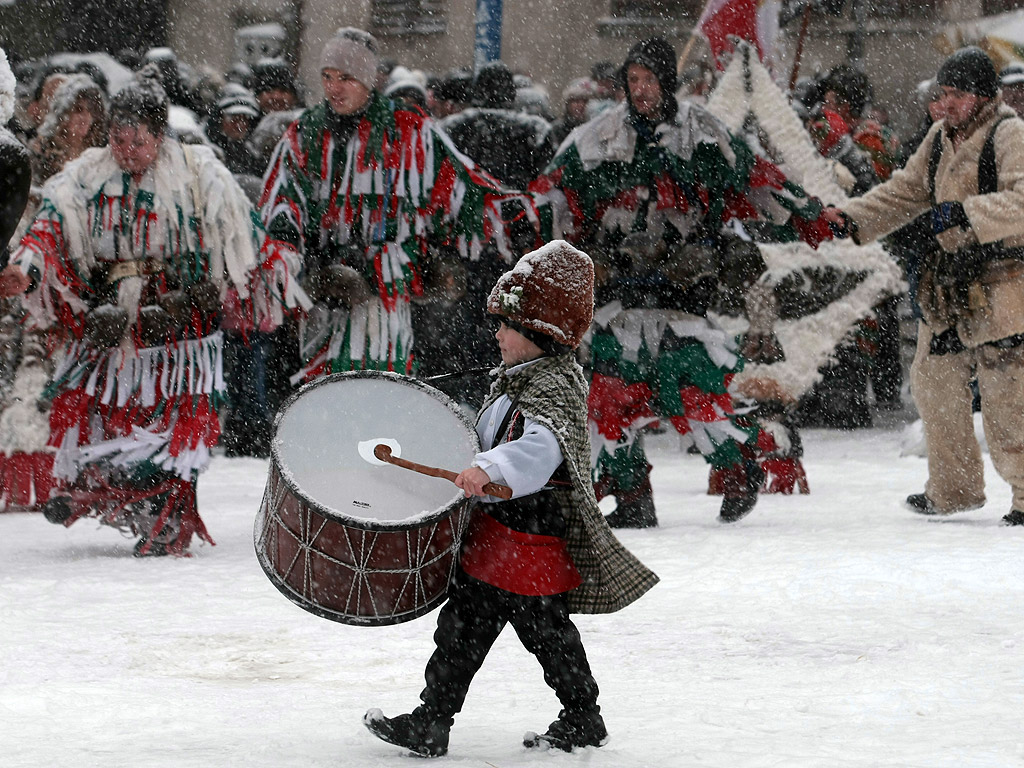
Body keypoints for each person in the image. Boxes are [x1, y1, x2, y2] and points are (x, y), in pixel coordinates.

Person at [363, 240, 658, 757]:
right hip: (497, 536)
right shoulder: (515, 381)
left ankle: (580, 716)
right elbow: (488, 436)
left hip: (530, 536)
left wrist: (489, 468)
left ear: (537, 334)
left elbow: (540, 450)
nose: (496, 333)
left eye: (506, 325)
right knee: (465, 629)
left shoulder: (553, 386)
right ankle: (435, 719)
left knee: (543, 634)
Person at [531, 37, 833, 527]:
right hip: (618, 297)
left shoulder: (705, 132)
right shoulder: (595, 138)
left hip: (682, 295)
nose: (641, 89)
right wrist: (520, 224)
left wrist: (811, 215)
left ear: (667, 81)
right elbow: (549, 196)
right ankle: (632, 500)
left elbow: (758, 180)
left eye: (649, 79)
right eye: (633, 80)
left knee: (692, 394)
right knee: (610, 399)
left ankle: (740, 475)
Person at [0, 71, 306, 554]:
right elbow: (47, 227)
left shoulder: (199, 172)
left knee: (173, 427)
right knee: (112, 418)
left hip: (184, 329)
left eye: (137, 139)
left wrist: (202, 292)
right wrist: (27, 269)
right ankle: (116, 495)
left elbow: (242, 242)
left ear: (159, 134)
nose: (126, 149)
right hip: (111, 325)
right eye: (118, 138)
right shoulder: (84, 176)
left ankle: (165, 514)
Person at [823, 47, 1024, 527]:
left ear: (983, 96)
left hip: (1005, 284)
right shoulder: (938, 138)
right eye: (943, 94)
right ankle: (952, 489)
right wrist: (849, 219)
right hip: (950, 287)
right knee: (934, 385)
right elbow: (904, 192)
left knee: (1008, 396)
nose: (946, 104)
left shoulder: (1010, 132)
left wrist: (967, 214)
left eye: (958, 95)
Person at [260, 28, 531, 384]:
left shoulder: (410, 131)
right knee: (326, 397)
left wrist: (521, 218)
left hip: (388, 301)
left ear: (369, 81)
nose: (334, 88)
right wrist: (292, 254)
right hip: (325, 302)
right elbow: (282, 203)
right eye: (327, 77)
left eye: (346, 78)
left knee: (382, 394)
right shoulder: (304, 134)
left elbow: (463, 190)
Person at [29, 73, 107, 183]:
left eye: (91, 110)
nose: (85, 117)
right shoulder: (41, 151)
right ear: (63, 114)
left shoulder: (102, 153)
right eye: (78, 110)